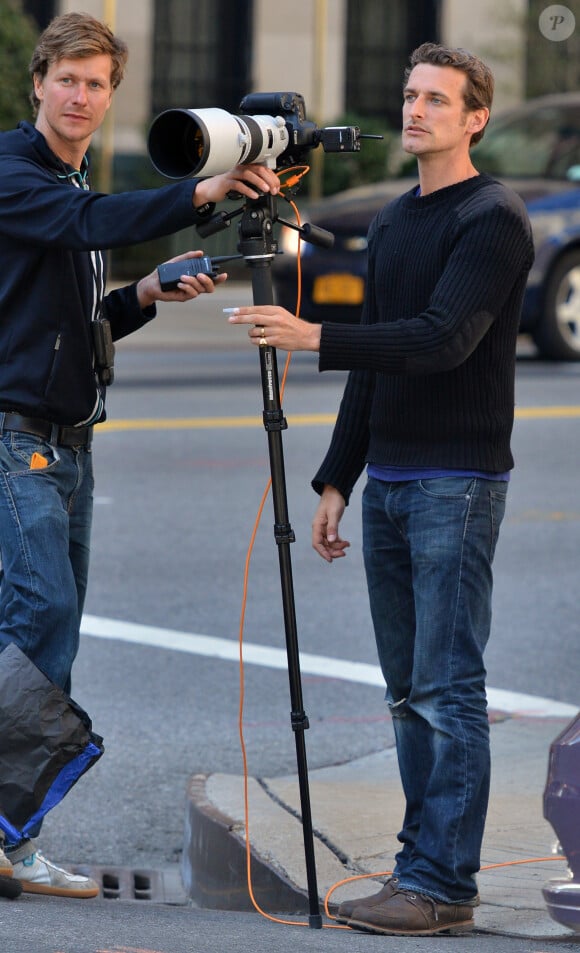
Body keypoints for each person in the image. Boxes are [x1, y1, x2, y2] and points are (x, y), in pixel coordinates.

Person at [227, 43, 534, 935]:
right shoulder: (397, 220)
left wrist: (310, 334)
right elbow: (378, 352)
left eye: (437, 99)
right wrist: (336, 477)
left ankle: (443, 884)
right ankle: (420, 868)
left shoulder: (493, 218)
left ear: (475, 117)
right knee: (407, 689)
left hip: (457, 481)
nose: (416, 110)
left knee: (446, 687)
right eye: (408, 95)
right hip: (394, 478)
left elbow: (441, 339)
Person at [0, 11, 280, 898]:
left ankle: (12, 837)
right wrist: (208, 188)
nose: (81, 96)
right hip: (16, 439)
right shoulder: (15, 172)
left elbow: (76, 323)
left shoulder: (69, 187)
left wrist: (149, 291)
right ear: (38, 84)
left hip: (69, 443)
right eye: (68, 80)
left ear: (110, 95)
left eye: (97, 84)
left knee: (48, 643)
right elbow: (96, 222)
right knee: (38, 620)